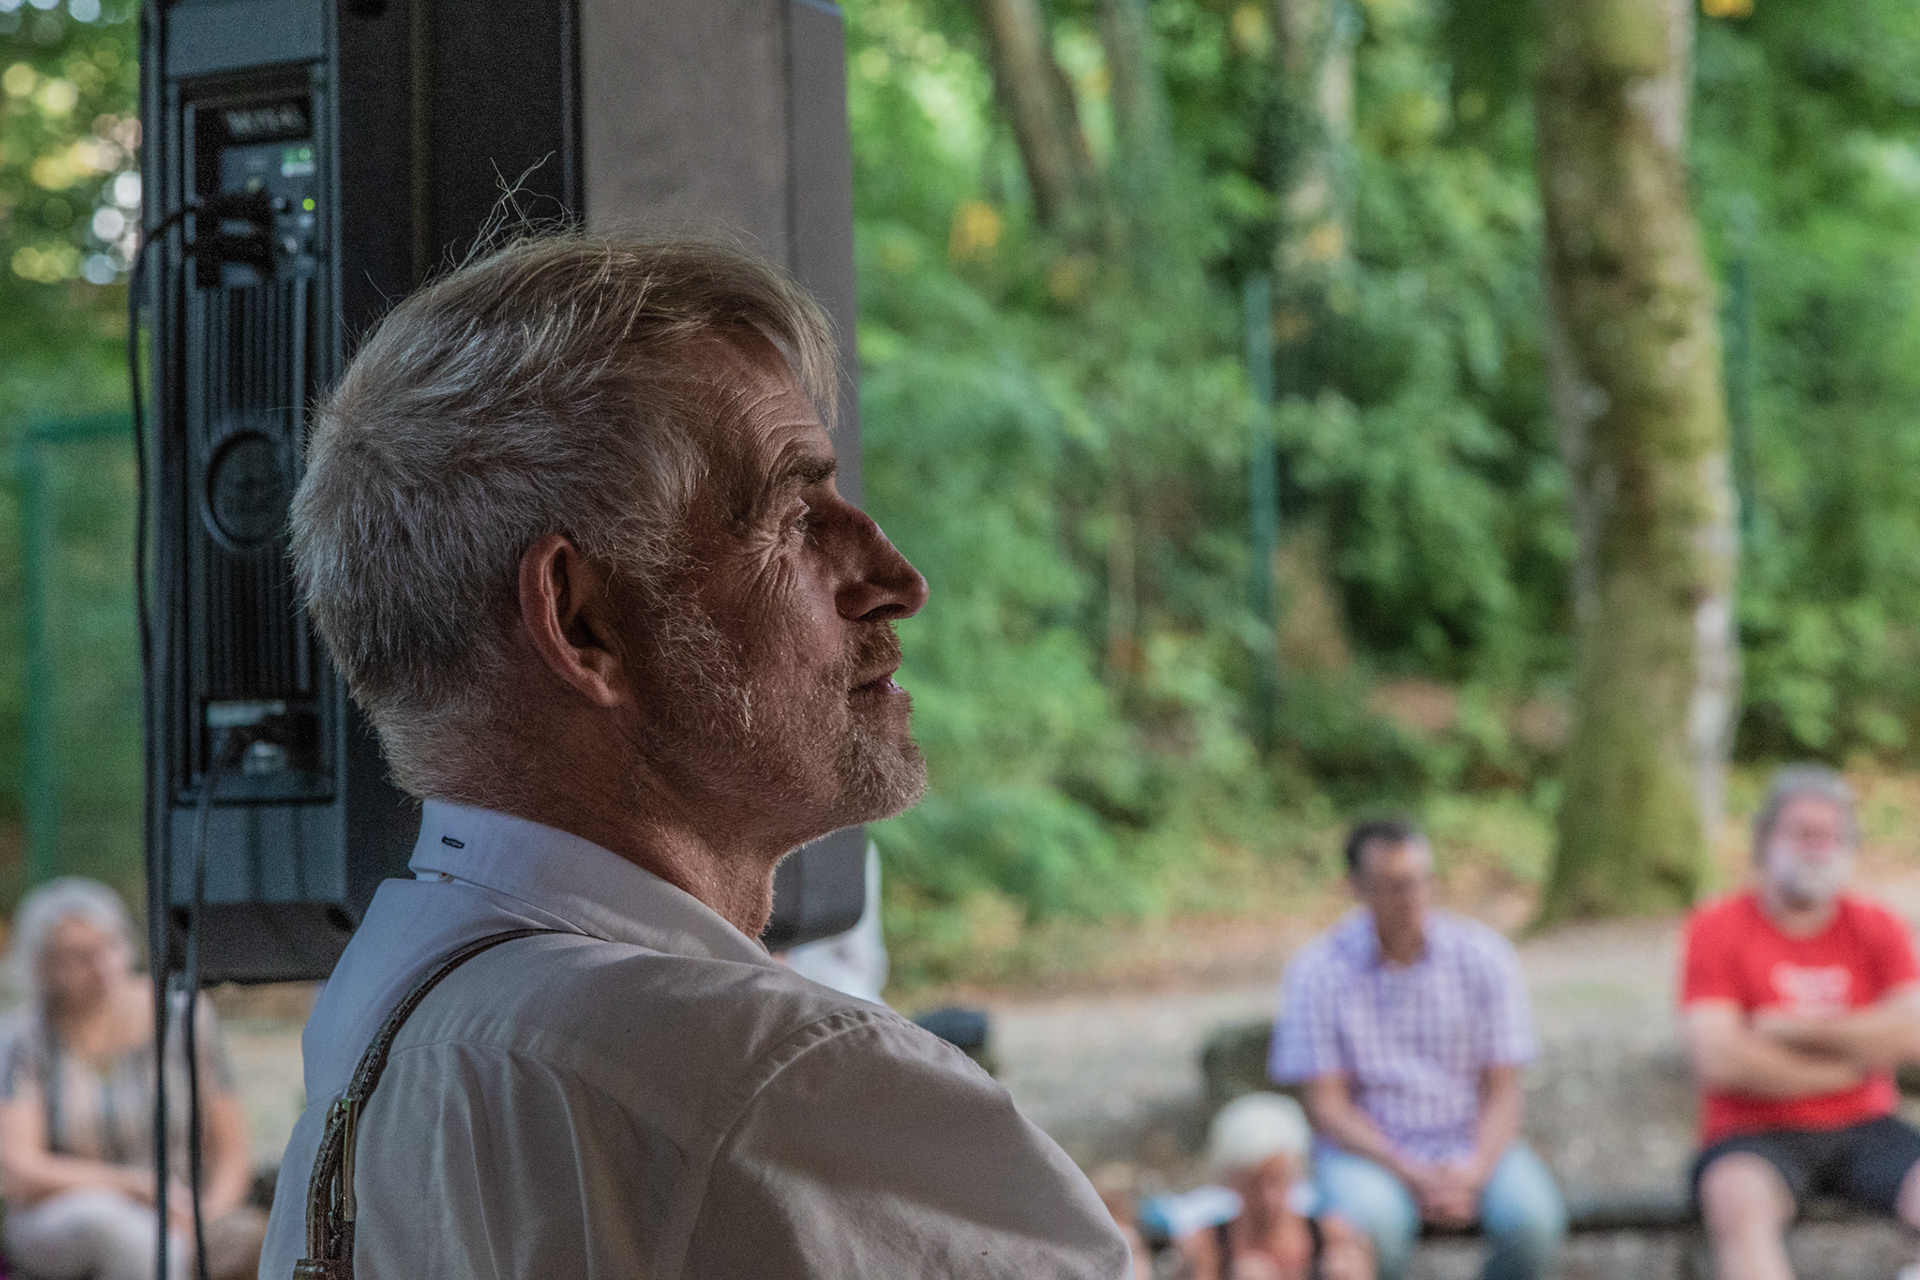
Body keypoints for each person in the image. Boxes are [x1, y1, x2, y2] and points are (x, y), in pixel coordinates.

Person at [260, 233, 1131, 1278]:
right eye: (795, 517)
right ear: (582, 622)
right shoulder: (765, 1084)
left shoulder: (385, 1010)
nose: (896, 579)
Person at [1269, 819, 1565, 1280]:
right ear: (1357, 888)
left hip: (1471, 1141)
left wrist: (1472, 1170)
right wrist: (1409, 1171)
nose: (1411, 897)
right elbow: (1328, 1107)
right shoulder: (1317, 972)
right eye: (1393, 886)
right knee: (1374, 1228)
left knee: (1533, 1222)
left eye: (1420, 880)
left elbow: (1504, 1090)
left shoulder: (1485, 957)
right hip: (1367, 1154)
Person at [1683, 764, 1920, 1280]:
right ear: (1765, 839)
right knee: (1737, 1202)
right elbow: (1719, 1058)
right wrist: (1856, 1059)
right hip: (1751, 1132)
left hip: (1868, 1125)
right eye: (1803, 833)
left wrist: (1793, 1030)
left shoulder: (1878, 926)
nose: (1818, 847)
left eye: (1832, 835)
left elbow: (1912, 1035)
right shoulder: (1716, 927)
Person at [0, 877, 265, 1280]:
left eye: (109, 945)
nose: (101, 965)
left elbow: (232, 1153)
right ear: (43, 966)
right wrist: (134, 1186)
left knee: (258, 1238)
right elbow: (20, 1170)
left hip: (188, 1210)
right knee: (129, 1236)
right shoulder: (24, 1039)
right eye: (79, 956)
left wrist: (203, 1216)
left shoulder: (184, 1017)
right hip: (69, 1214)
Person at [1174, 1093, 1373, 1280]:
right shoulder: (1209, 1246)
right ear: (1231, 1180)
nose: (1268, 1197)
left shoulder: (1333, 1236)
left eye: (1277, 1180)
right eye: (1253, 1184)